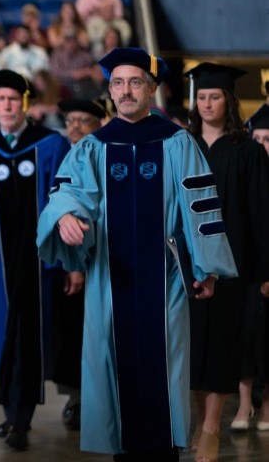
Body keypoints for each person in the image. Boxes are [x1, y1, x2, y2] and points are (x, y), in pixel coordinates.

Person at [36, 48, 238, 461]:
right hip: (111, 278)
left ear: (151, 88)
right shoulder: (93, 146)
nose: (126, 91)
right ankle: (122, 451)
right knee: (112, 365)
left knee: (167, 366)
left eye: (135, 82)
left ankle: (164, 451)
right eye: (118, 83)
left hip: (166, 279)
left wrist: (208, 268)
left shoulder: (177, 142)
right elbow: (67, 192)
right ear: (109, 90)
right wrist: (65, 217)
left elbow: (200, 204)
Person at [0, 69, 71, 451]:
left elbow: (66, 206)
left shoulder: (51, 144)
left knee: (31, 336)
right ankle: (11, 412)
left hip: (40, 263)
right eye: (0, 100)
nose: (6, 106)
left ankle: (20, 417)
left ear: (25, 102)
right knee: (0, 336)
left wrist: (69, 262)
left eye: (13, 99)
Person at [184, 63, 269, 461]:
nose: (206, 103)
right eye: (201, 96)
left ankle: (212, 427)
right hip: (188, 267)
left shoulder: (247, 151)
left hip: (232, 269)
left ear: (229, 101)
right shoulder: (183, 147)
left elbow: (262, 213)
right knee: (195, 348)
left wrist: (266, 268)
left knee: (221, 346)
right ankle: (201, 422)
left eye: (214, 96)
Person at [49, 98, 107, 430]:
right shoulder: (62, 154)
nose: (74, 125)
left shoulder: (103, 155)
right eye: (70, 119)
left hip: (100, 258)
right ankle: (77, 399)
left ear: (99, 123)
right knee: (72, 334)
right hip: (69, 261)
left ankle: (97, 401)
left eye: (83, 119)